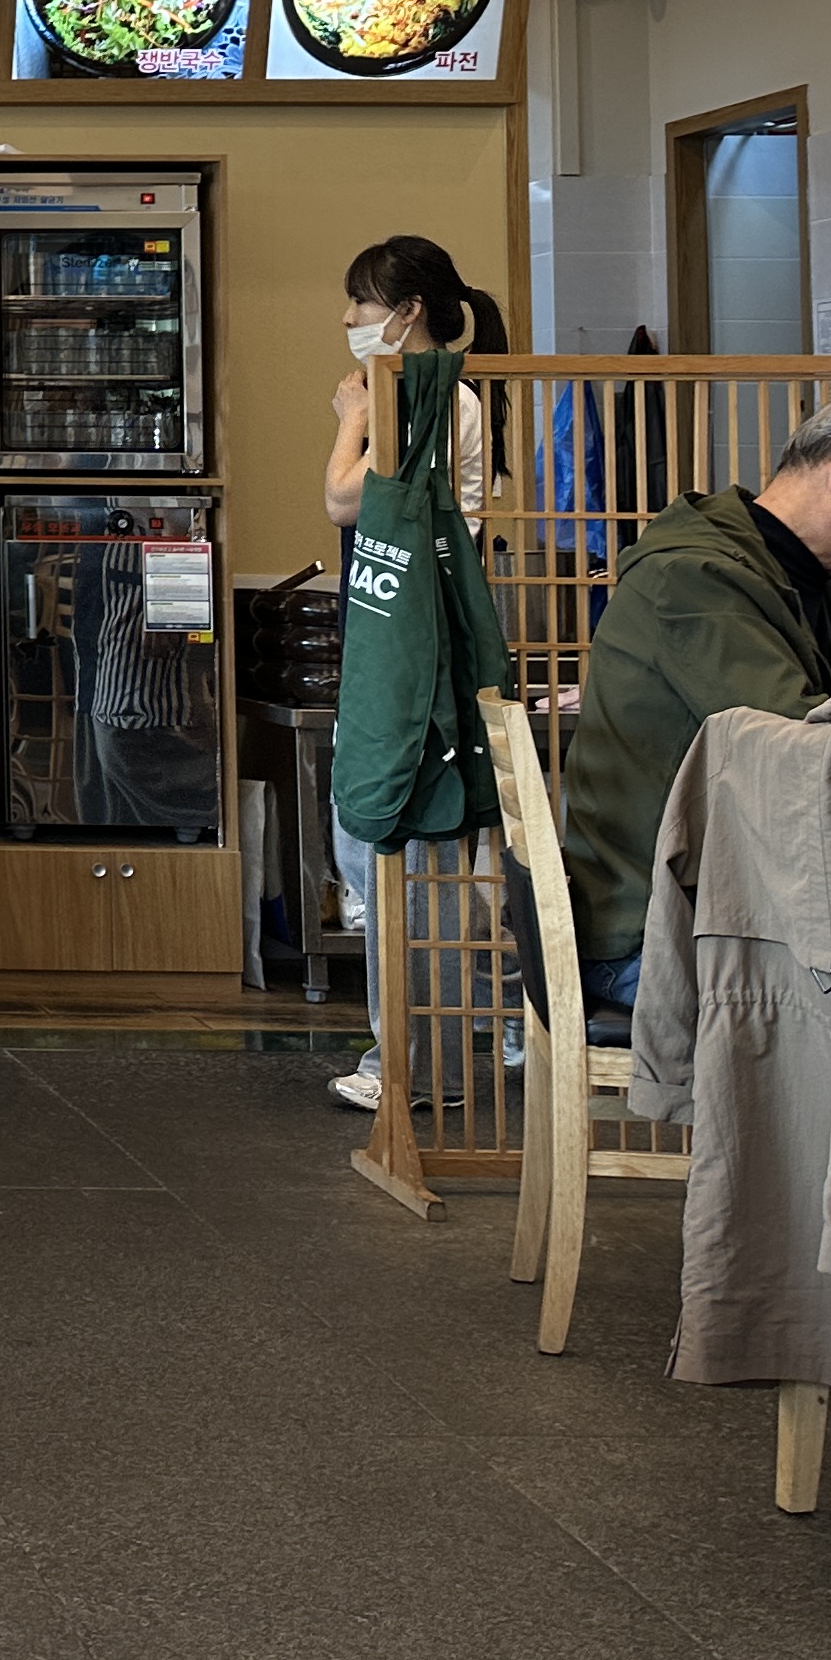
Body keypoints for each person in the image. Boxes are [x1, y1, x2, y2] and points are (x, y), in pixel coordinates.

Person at [556, 391, 831, 1011]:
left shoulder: (811, 582)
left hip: (736, 906)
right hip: (657, 931)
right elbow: (805, 746)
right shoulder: (691, 574)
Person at [317, 236, 506, 1113]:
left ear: (407, 311)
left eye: (361, 303)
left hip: (422, 638)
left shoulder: (431, 396)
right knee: (389, 847)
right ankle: (414, 1056)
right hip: (403, 626)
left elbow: (345, 499)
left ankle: (421, 1066)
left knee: (412, 851)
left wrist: (351, 420)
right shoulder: (428, 392)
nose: (349, 320)